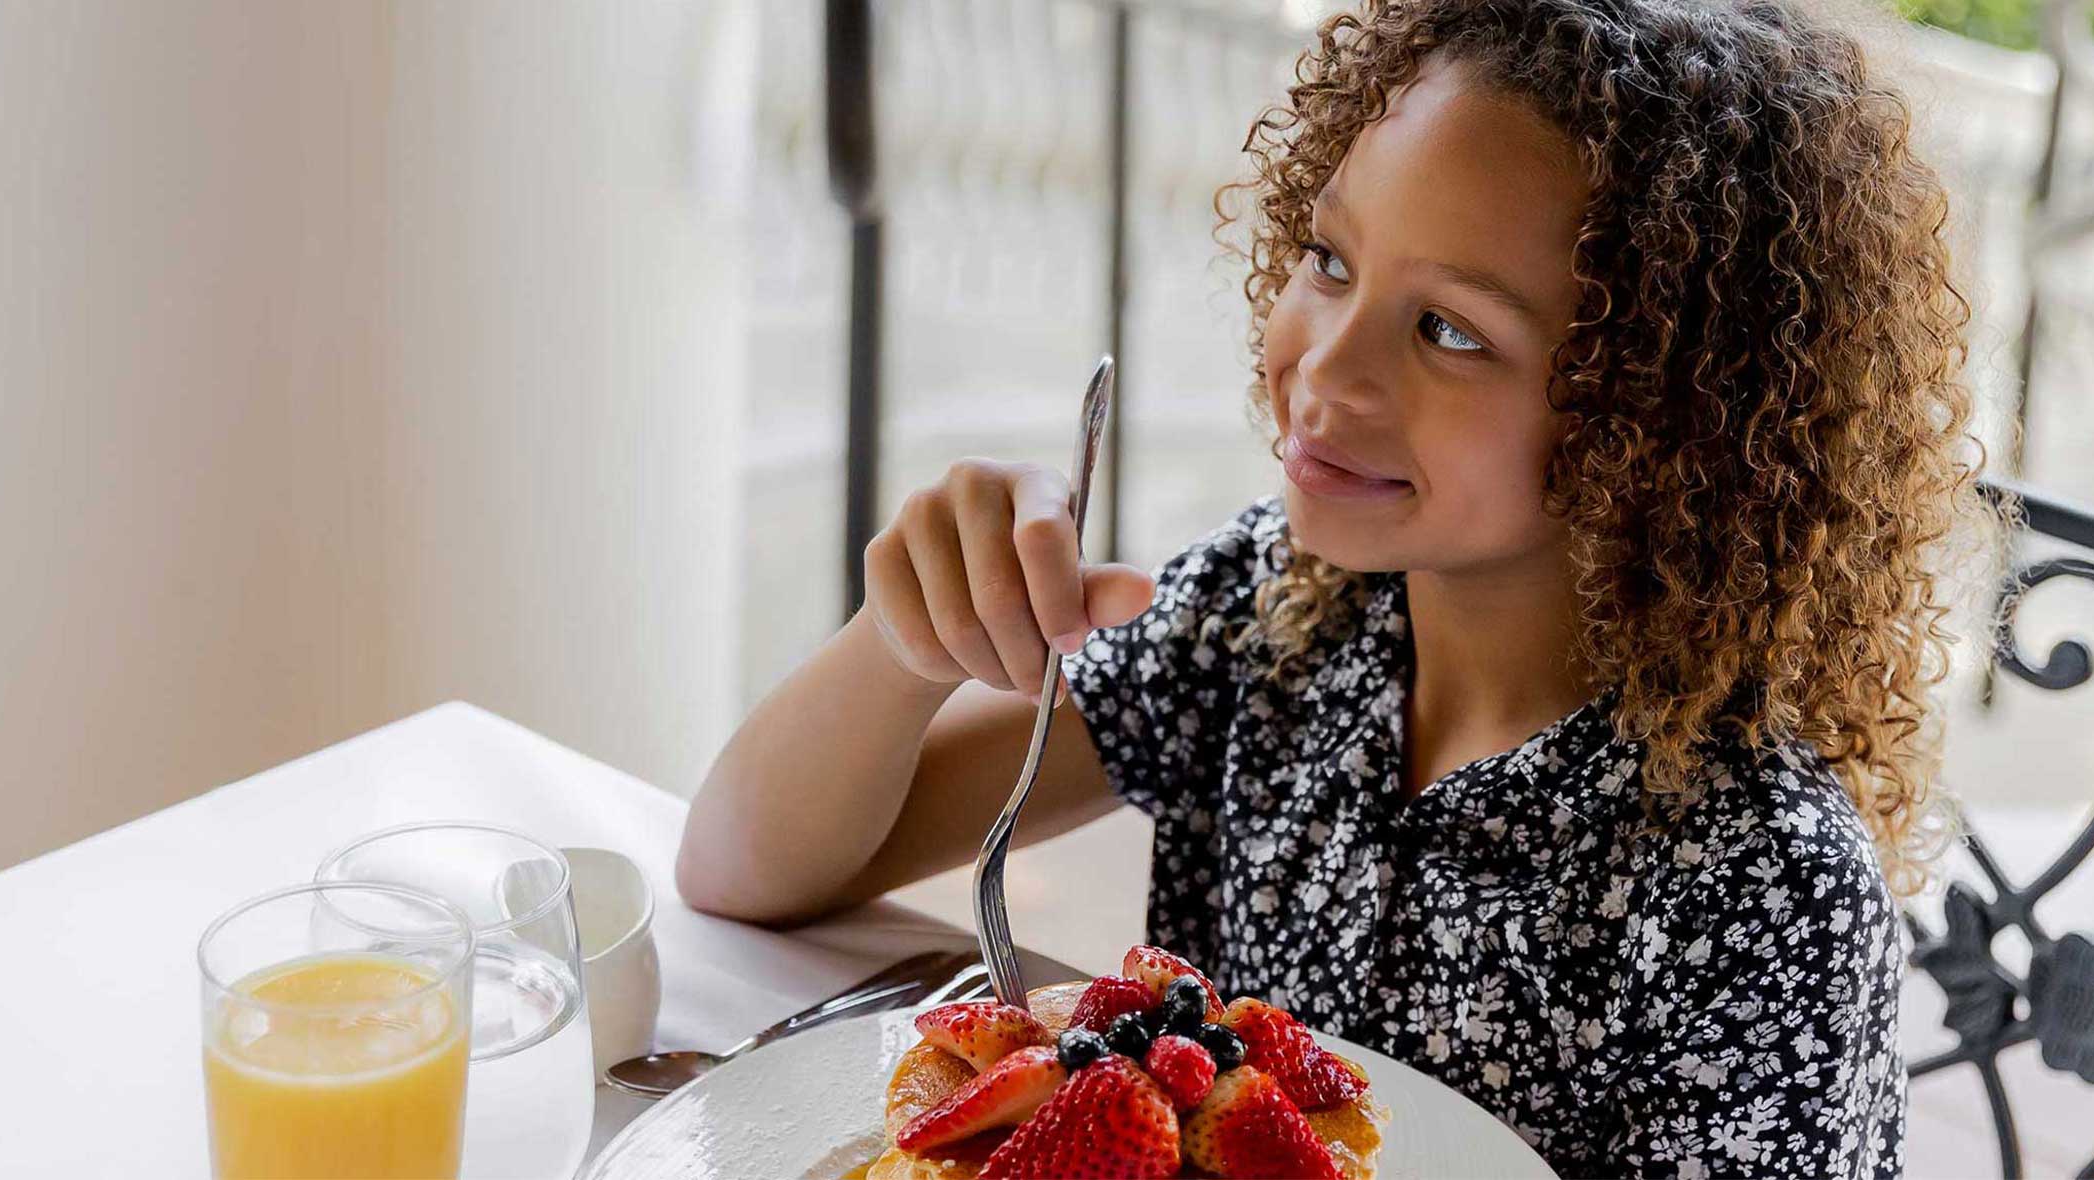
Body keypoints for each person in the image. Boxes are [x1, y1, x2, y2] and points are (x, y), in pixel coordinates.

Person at [679, 1, 1994, 1173]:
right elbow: (745, 871)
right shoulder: (1285, 610)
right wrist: (906, 643)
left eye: (1450, 330)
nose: (1328, 372)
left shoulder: (1758, 892)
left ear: (1666, 425)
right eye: (1329, 260)